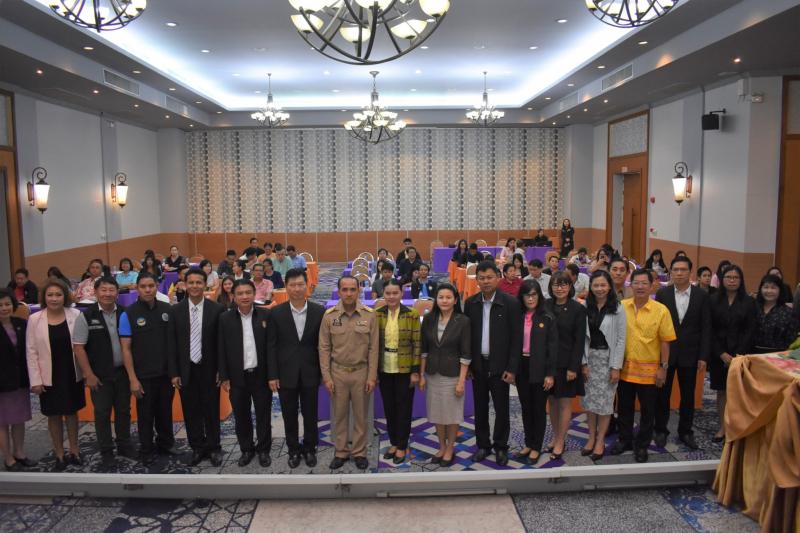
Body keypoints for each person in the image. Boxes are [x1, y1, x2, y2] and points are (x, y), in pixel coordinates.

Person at [610, 269, 676, 463]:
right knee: (624, 407)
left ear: (652, 285)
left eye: (644, 283)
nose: (640, 287)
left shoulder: (661, 310)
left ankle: (642, 445)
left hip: (649, 372)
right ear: (630, 285)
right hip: (625, 369)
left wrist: (663, 367)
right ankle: (625, 440)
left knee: (648, 411)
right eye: (636, 283)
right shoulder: (621, 307)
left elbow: (665, 341)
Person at [464, 261, 522, 466]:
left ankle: (501, 446)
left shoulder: (511, 303)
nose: (486, 281)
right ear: (477, 281)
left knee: (502, 409)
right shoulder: (470, 303)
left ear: (497, 277)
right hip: (478, 366)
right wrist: (468, 366)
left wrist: (512, 368)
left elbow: (516, 339)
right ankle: (483, 445)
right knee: (479, 408)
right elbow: (466, 337)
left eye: (489, 277)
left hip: (501, 367)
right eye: (482, 278)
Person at [319, 276, 379, 470]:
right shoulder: (329, 316)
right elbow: (324, 348)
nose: (349, 293)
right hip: (338, 373)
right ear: (339, 291)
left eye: (353, 289)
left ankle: (360, 452)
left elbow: (374, 349)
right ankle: (341, 452)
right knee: (340, 415)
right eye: (344, 289)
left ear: (359, 290)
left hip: (361, 372)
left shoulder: (369, 315)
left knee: (361, 416)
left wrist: (372, 376)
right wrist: (327, 377)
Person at [72, 277, 134, 465]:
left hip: (122, 372)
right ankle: (106, 450)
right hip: (99, 375)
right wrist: (88, 374)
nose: (108, 294)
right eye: (103, 290)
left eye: (111, 290)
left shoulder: (125, 313)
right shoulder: (86, 316)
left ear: (117, 293)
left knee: (124, 410)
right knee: (102, 413)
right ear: (96, 292)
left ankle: (124, 445)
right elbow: (78, 348)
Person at [166, 268, 225, 467]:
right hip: (186, 369)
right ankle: (197, 447)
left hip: (210, 369)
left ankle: (214, 447)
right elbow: (171, 344)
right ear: (184, 284)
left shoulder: (216, 309)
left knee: (211, 409)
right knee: (191, 411)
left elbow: (221, 343)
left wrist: (221, 370)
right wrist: (174, 372)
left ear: (205, 284)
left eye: (199, 282)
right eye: (191, 282)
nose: (194, 286)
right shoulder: (175, 311)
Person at [267, 268, 324, 469]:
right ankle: (293, 449)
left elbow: (323, 345)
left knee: (311, 414)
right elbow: (271, 346)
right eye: (293, 285)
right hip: (285, 373)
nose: (297, 289)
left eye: (300, 284)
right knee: (289, 415)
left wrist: (323, 373)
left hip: (311, 371)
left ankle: (309, 448)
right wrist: (272, 374)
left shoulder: (319, 311)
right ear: (286, 287)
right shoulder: (276, 313)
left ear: (307, 285)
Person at [26, 279, 85, 471]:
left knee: (72, 412)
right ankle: (59, 453)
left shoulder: (75, 315)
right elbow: (31, 351)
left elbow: (83, 346)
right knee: (53, 415)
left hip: (71, 372)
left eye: (58, 295)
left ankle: (74, 450)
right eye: (50, 295)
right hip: (48, 375)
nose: (54, 298)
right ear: (44, 297)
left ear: (65, 297)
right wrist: (35, 380)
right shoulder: (35, 319)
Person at [653, 256, 711, 451]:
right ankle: (660, 429)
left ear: (690, 272)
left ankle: (685, 431)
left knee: (688, 396)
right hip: (667, 353)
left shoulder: (701, 296)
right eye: (675, 269)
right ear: (670, 272)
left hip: (691, 354)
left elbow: (706, 327)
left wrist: (703, 356)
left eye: (683, 270)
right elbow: (657, 326)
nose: (679, 273)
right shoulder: (663, 293)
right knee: (662, 394)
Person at [119, 272, 176, 465]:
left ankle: (166, 444)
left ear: (157, 287)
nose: (148, 290)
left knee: (165, 412)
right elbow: (126, 349)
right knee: (145, 416)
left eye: (151, 286)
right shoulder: (128, 314)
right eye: (143, 286)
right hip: (142, 376)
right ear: (137, 288)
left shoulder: (167, 309)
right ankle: (146, 449)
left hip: (165, 373)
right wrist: (132, 379)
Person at [218, 279, 272, 467]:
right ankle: (247, 449)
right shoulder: (225, 319)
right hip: (237, 377)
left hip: (261, 375)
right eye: (240, 293)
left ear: (254, 294)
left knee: (263, 415)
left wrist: (273, 375)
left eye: (248, 292)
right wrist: (224, 376)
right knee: (241, 416)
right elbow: (221, 349)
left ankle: (264, 449)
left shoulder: (266, 315)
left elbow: (272, 348)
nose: (245, 296)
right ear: (233, 296)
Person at [419, 283, 470, 467]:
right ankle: (441, 446)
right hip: (433, 373)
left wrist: (461, 381)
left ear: (455, 300)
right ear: (436, 299)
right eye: (441, 297)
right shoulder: (429, 319)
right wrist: (422, 374)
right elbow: (424, 350)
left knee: (452, 414)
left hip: (453, 375)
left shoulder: (462, 321)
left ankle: (450, 448)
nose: (444, 301)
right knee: (437, 413)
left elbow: (466, 354)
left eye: (448, 297)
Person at [580, 271, 626, 461]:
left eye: (603, 285)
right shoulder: (585, 306)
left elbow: (621, 339)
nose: (600, 289)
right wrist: (583, 363)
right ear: (591, 287)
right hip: (590, 359)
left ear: (609, 287)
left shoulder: (617, 308)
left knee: (606, 403)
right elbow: (581, 337)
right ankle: (591, 437)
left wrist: (616, 367)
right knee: (590, 402)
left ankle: (600, 440)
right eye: (596, 285)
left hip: (608, 359)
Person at [375, 279, 421, 465]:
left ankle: (402, 445)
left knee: (403, 408)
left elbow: (417, 344)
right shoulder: (377, 314)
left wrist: (415, 371)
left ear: (402, 294)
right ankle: (394, 442)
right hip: (384, 367)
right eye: (388, 293)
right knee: (389, 407)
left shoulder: (411, 314)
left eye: (395, 293)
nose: (391, 297)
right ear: (383, 294)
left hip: (405, 367)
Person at [709, 264, 756, 443]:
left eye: (736, 278)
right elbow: (709, 329)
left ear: (741, 281)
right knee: (722, 391)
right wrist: (721, 353)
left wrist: (738, 355)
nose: (732, 280)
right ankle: (723, 427)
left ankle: (736, 426)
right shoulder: (713, 300)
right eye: (728, 277)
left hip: (740, 355)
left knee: (738, 392)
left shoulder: (749, 302)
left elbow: (750, 330)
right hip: (718, 354)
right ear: (722, 279)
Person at [544, 271, 587, 461]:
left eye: (563, 284)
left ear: (570, 287)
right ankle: (555, 436)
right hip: (548, 363)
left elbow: (579, 341)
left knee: (564, 403)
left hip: (567, 363)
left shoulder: (577, 309)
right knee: (552, 401)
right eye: (556, 284)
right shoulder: (545, 305)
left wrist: (573, 367)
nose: (559, 288)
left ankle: (561, 441)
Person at [515, 280, 557, 465]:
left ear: (539, 296)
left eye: (534, 295)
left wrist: (550, 374)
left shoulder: (547, 317)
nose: (530, 299)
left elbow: (552, 348)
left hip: (540, 367)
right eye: (527, 295)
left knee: (538, 408)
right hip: (522, 366)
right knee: (525, 407)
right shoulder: (518, 315)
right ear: (522, 297)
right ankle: (528, 443)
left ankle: (536, 447)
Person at [0, 289, 36, 472]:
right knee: (2, 422)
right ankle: (8, 458)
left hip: (20, 380)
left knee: (19, 419)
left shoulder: (21, 323)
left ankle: (19, 453)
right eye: (0, 305)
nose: (4, 308)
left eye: (7, 304)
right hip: (2, 384)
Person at [752, 274, 798, 353]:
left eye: (773, 288)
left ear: (780, 290)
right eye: (766, 287)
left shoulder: (788, 312)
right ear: (760, 289)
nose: (769, 291)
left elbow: (791, 338)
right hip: (751, 353)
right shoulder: (753, 308)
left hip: (778, 355)